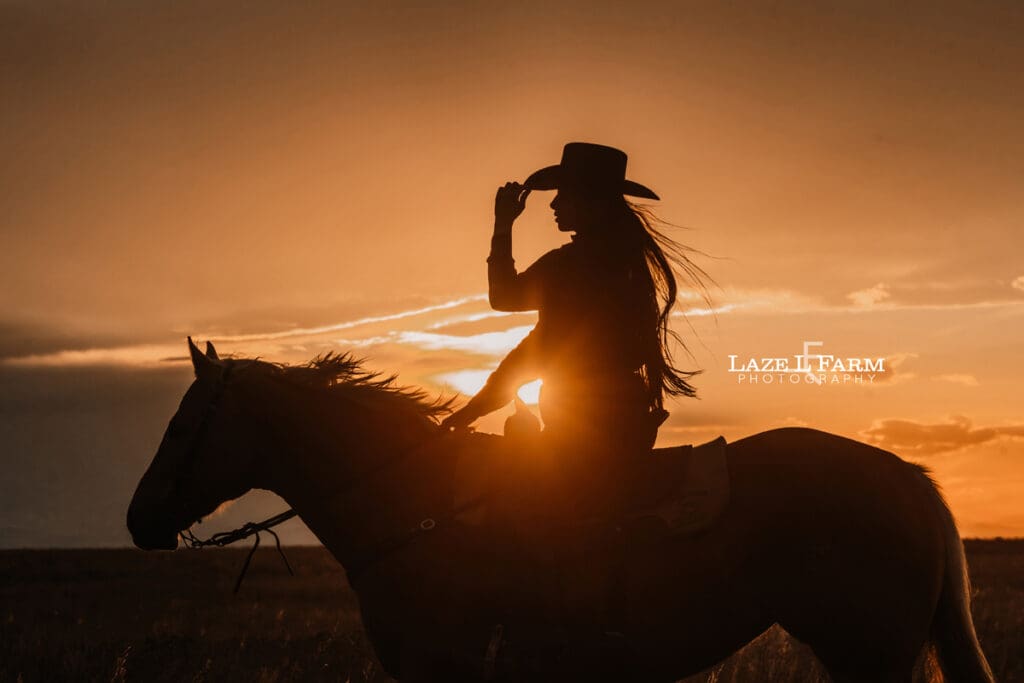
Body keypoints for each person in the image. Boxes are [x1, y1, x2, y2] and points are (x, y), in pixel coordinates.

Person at [442, 142, 709, 521]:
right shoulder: (617, 261)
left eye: (562, 195)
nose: (553, 205)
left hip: (586, 425)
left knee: (533, 510)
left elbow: (511, 307)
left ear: (590, 201)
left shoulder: (573, 265)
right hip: (621, 416)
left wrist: (503, 226)